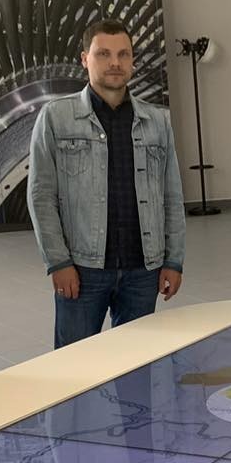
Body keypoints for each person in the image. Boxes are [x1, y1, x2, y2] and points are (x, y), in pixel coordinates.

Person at [27, 18, 186, 347]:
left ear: (132, 61)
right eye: (104, 54)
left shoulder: (157, 121)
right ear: (85, 59)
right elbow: (41, 196)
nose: (115, 62)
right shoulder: (56, 117)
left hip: (143, 269)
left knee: (136, 364)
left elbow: (171, 195)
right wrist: (58, 262)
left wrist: (173, 260)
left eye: (123, 54)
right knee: (75, 366)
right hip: (83, 269)